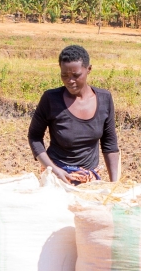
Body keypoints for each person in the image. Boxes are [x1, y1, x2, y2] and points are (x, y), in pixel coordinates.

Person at [28, 45, 121, 185]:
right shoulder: (51, 99)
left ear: (89, 69)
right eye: (64, 75)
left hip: (89, 179)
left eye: (76, 75)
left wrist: (115, 184)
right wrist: (53, 169)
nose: (70, 81)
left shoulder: (104, 99)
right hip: (57, 178)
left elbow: (110, 145)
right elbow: (34, 137)